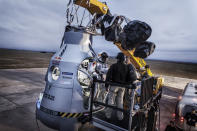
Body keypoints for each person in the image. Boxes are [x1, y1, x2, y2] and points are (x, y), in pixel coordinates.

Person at [105, 52, 128, 120]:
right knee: (120, 102)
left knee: (111, 101)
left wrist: (106, 86)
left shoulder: (113, 66)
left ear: (117, 59)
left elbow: (108, 76)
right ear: (124, 59)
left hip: (114, 86)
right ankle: (120, 117)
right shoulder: (126, 67)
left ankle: (108, 116)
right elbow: (129, 77)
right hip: (122, 87)